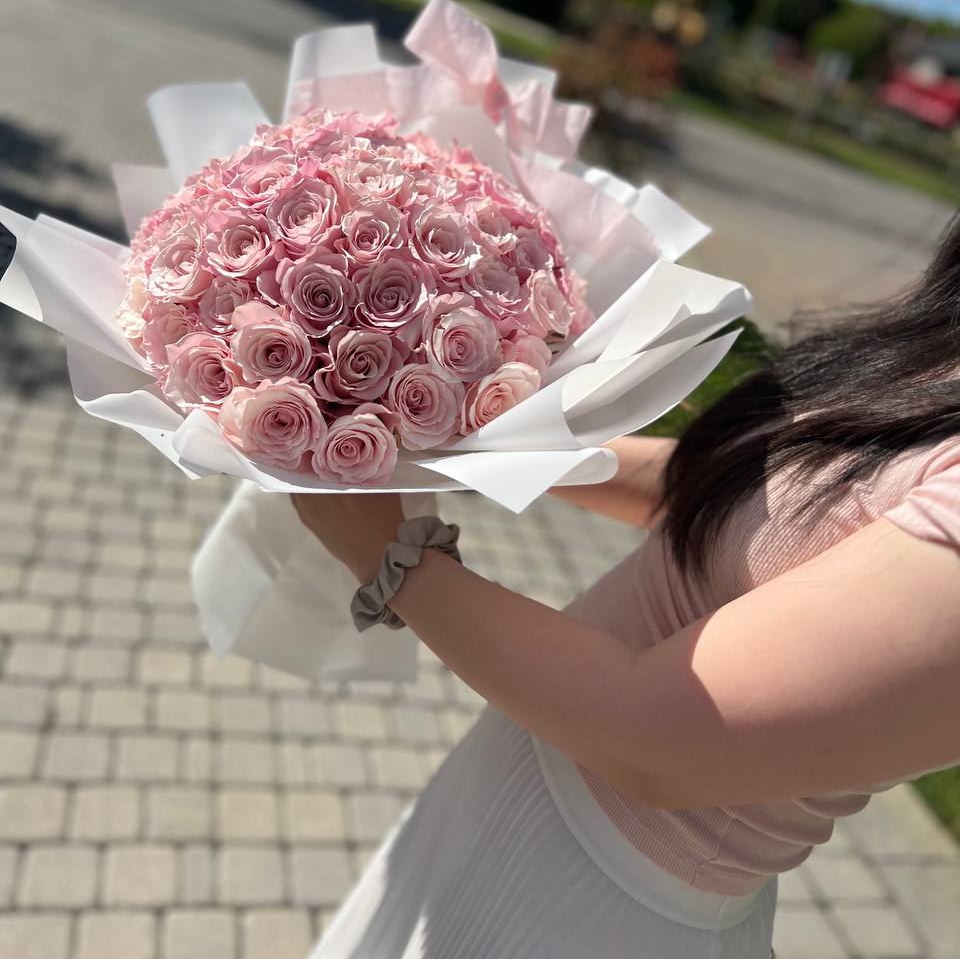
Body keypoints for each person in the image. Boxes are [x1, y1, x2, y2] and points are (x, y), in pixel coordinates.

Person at [292, 212, 960, 959]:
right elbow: (724, 498)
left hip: (590, 911)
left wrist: (392, 557)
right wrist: (473, 432)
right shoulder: (941, 354)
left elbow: (659, 742)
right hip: (510, 784)